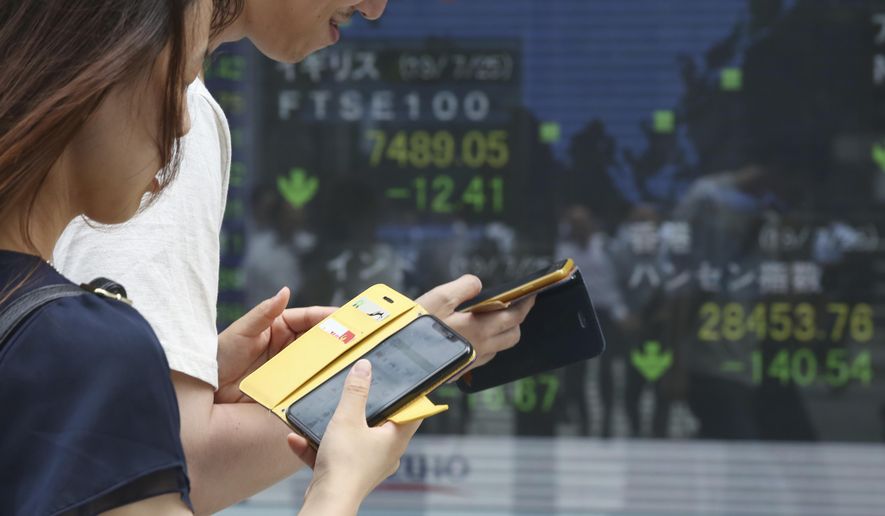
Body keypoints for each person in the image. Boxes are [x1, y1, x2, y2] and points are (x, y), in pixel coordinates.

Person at [53, 0, 536, 512]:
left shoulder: (128, 81)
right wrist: (406, 368)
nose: (374, 9)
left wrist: (398, 351)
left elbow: (118, 432)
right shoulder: (168, 112)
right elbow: (170, 471)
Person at [1, 1, 424, 514]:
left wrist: (156, 385)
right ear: (99, 69)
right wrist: (338, 485)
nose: (184, 123)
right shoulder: (93, 348)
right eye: (180, 84)